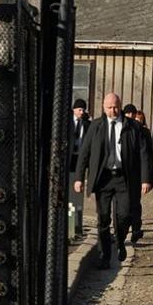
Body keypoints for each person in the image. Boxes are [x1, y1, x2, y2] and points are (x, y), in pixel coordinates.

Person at [73, 93, 153, 269]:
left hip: (124, 178)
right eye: (109, 107)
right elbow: (84, 154)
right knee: (103, 218)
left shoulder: (132, 127)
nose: (113, 110)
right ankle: (105, 256)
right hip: (103, 178)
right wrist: (79, 178)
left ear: (120, 106)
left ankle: (120, 240)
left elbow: (144, 153)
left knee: (124, 215)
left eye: (116, 107)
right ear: (103, 107)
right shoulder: (96, 126)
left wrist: (146, 179)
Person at [122, 104, 153, 245]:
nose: (129, 118)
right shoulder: (120, 129)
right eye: (127, 115)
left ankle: (135, 228)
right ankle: (123, 229)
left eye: (132, 115)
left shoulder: (143, 132)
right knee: (123, 203)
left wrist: (146, 178)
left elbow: (147, 155)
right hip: (122, 173)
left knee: (134, 202)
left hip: (136, 173)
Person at [69, 98, 90, 238]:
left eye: (83, 110)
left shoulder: (87, 125)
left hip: (80, 162)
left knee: (78, 196)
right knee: (70, 197)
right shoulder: (67, 123)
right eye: (79, 110)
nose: (81, 112)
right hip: (69, 161)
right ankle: (70, 228)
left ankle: (78, 226)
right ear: (74, 110)